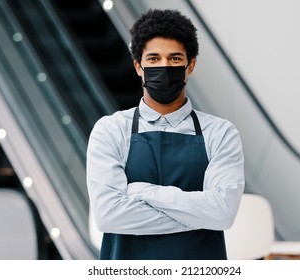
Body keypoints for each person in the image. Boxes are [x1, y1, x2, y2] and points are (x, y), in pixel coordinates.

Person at [86, 9, 245, 260]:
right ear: (138, 66)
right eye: (153, 59)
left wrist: (143, 192)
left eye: (174, 59)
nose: (164, 66)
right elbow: (108, 215)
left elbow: (223, 213)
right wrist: (199, 215)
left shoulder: (221, 133)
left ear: (190, 65)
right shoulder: (110, 130)